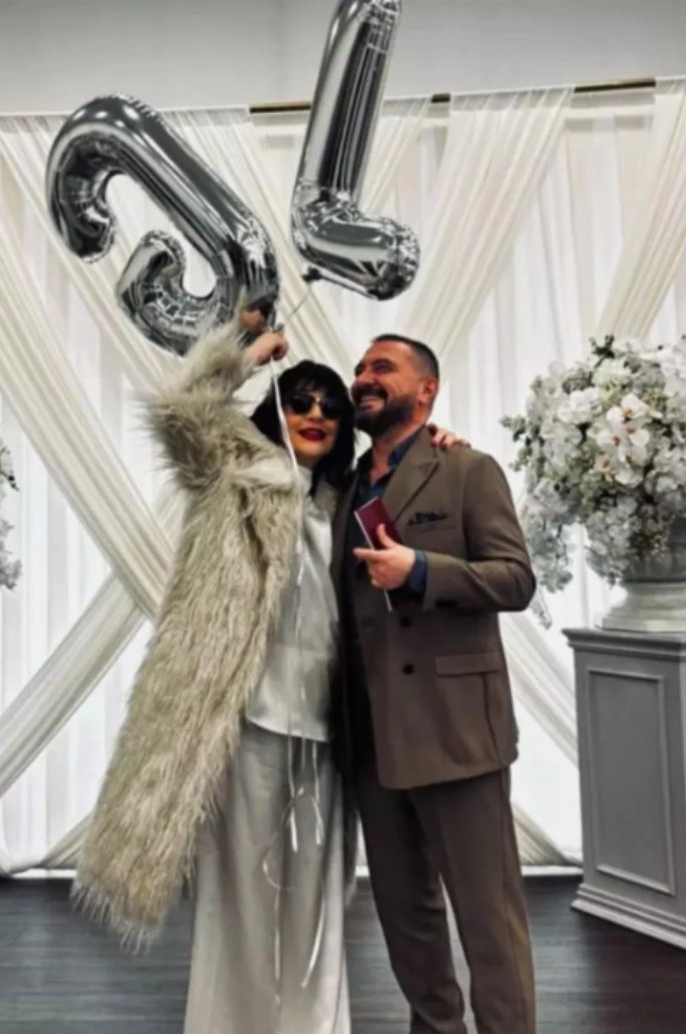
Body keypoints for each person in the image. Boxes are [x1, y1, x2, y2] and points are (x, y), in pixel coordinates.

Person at [71, 310, 461, 1034]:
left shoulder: (353, 503)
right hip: (243, 719)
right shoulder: (231, 477)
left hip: (333, 727)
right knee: (241, 896)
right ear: (275, 411)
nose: (315, 415)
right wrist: (245, 353)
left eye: (329, 408)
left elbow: (417, 494)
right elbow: (179, 411)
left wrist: (439, 445)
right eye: (299, 402)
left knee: (319, 897)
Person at [331, 332, 538, 1034]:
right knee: (406, 918)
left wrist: (420, 571)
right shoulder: (341, 487)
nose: (364, 377)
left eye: (382, 367)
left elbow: (515, 580)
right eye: (360, 368)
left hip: (457, 732)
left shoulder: (468, 469)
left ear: (427, 390)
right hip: (369, 738)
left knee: (489, 921)